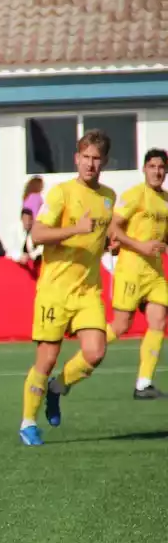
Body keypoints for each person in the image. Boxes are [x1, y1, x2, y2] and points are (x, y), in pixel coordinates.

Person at [18, 130, 116, 446]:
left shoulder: (108, 197)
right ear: (77, 158)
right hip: (55, 290)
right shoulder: (61, 193)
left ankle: (58, 389)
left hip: (88, 289)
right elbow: (37, 234)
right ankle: (28, 423)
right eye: (85, 157)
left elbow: (99, 237)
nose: (90, 164)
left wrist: (111, 244)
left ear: (104, 161)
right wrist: (77, 228)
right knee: (46, 358)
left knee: (96, 351)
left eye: (96, 158)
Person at [106, 148, 168, 399]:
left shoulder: (165, 201)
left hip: (154, 272)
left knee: (159, 321)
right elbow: (113, 227)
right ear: (144, 169)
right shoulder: (133, 195)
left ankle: (144, 383)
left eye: (161, 167)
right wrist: (138, 245)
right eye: (152, 166)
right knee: (121, 326)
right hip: (131, 269)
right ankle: (86, 350)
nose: (157, 171)